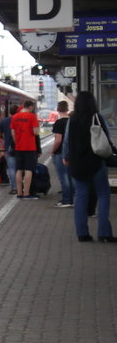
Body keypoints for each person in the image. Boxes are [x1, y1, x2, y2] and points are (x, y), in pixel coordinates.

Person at [63, 90, 114, 242]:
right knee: (103, 194)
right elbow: (106, 139)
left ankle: (82, 234)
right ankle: (104, 233)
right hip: (96, 162)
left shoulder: (72, 120)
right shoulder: (98, 118)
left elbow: (66, 141)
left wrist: (66, 157)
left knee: (80, 195)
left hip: (78, 163)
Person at [10, 100, 40, 198]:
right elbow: (36, 132)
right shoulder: (32, 117)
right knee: (28, 170)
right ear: (31, 107)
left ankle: (19, 193)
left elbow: (13, 133)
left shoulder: (14, 117)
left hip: (18, 147)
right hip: (30, 147)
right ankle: (26, 193)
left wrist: (17, 143)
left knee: (19, 170)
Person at [51, 100, 73, 208]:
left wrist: (53, 151)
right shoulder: (72, 121)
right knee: (71, 177)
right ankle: (72, 199)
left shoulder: (59, 123)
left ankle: (66, 200)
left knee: (63, 177)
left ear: (58, 110)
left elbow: (58, 140)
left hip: (60, 153)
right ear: (67, 109)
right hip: (72, 153)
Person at [0, 104, 19, 194]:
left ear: (9, 112)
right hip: (19, 147)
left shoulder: (4, 121)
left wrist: (1, 143)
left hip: (8, 148)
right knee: (19, 169)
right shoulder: (19, 120)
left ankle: (14, 188)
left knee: (11, 168)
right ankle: (21, 187)